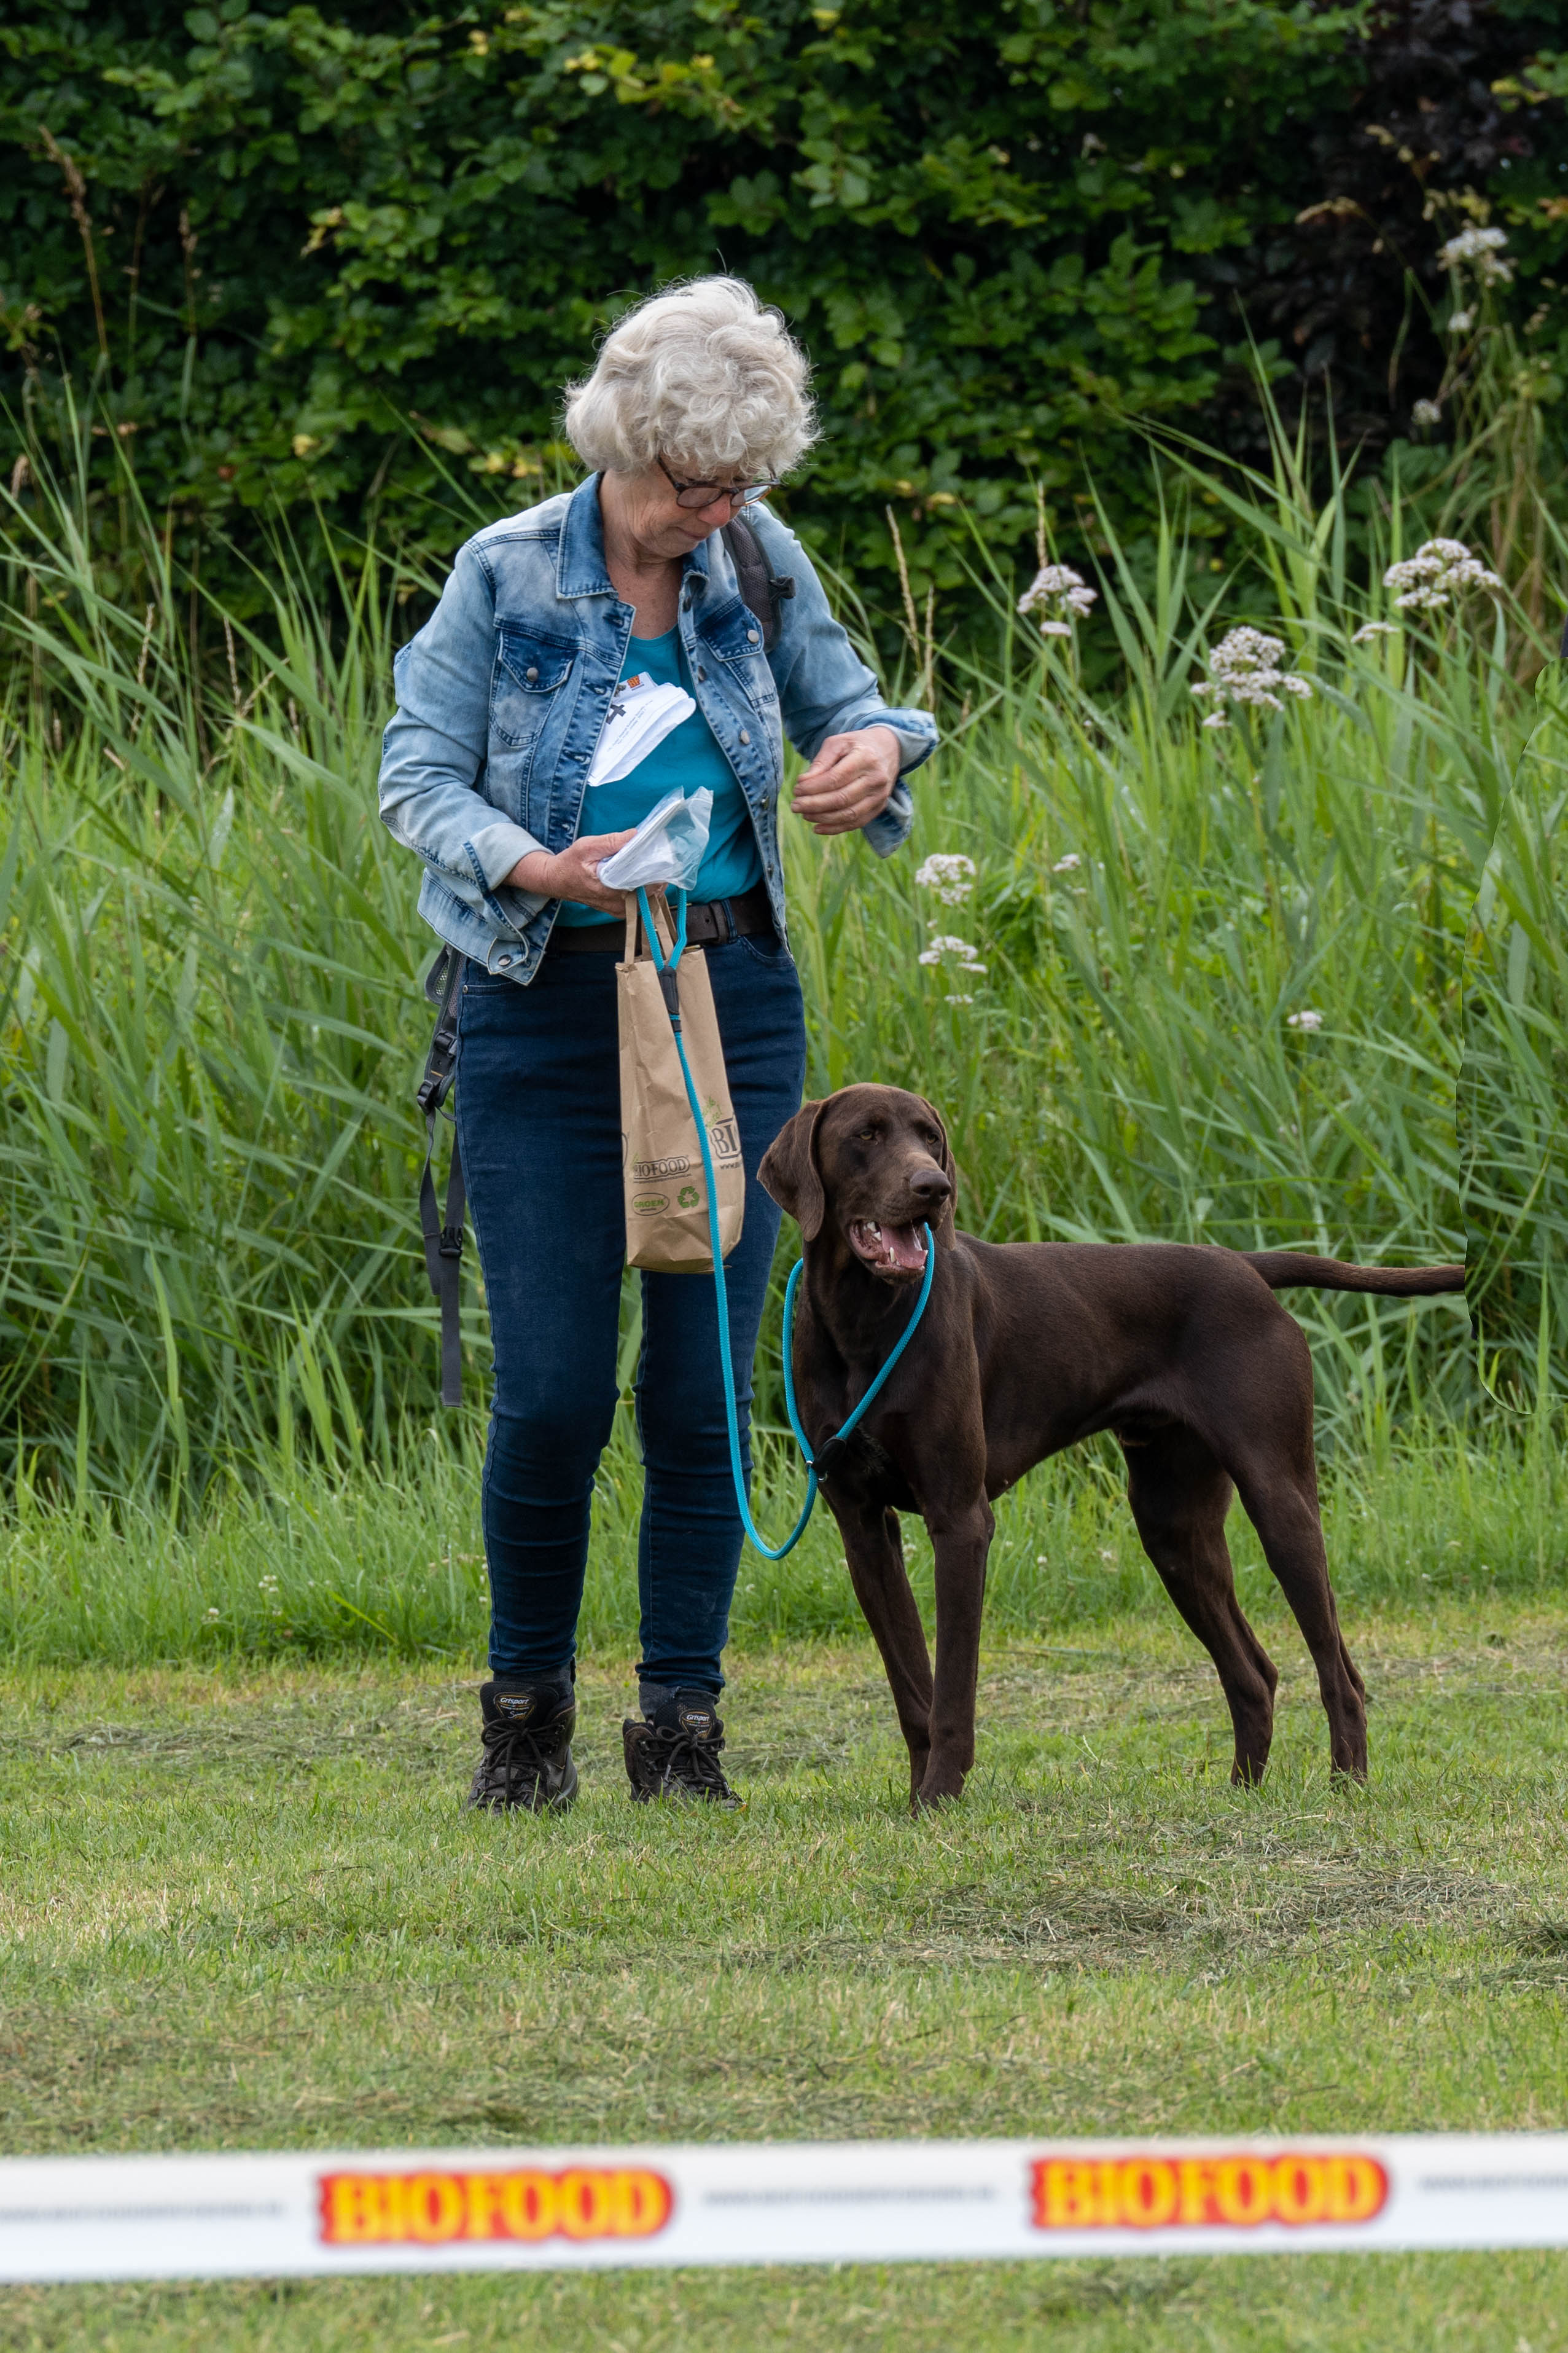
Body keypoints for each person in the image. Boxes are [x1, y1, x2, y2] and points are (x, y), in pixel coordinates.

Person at [378, 276, 937, 1812]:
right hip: (538, 1006)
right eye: (696, 482)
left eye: (742, 483)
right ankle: (524, 1726)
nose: (718, 510)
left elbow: (864, 709)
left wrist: (874, 752)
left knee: (698, 1389)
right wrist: (534, 864)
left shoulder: (754, 559)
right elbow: (415, 775)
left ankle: (682, 1731)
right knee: (555, 1391)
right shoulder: (502, 572)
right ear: (623, 441)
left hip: (727, 1006)